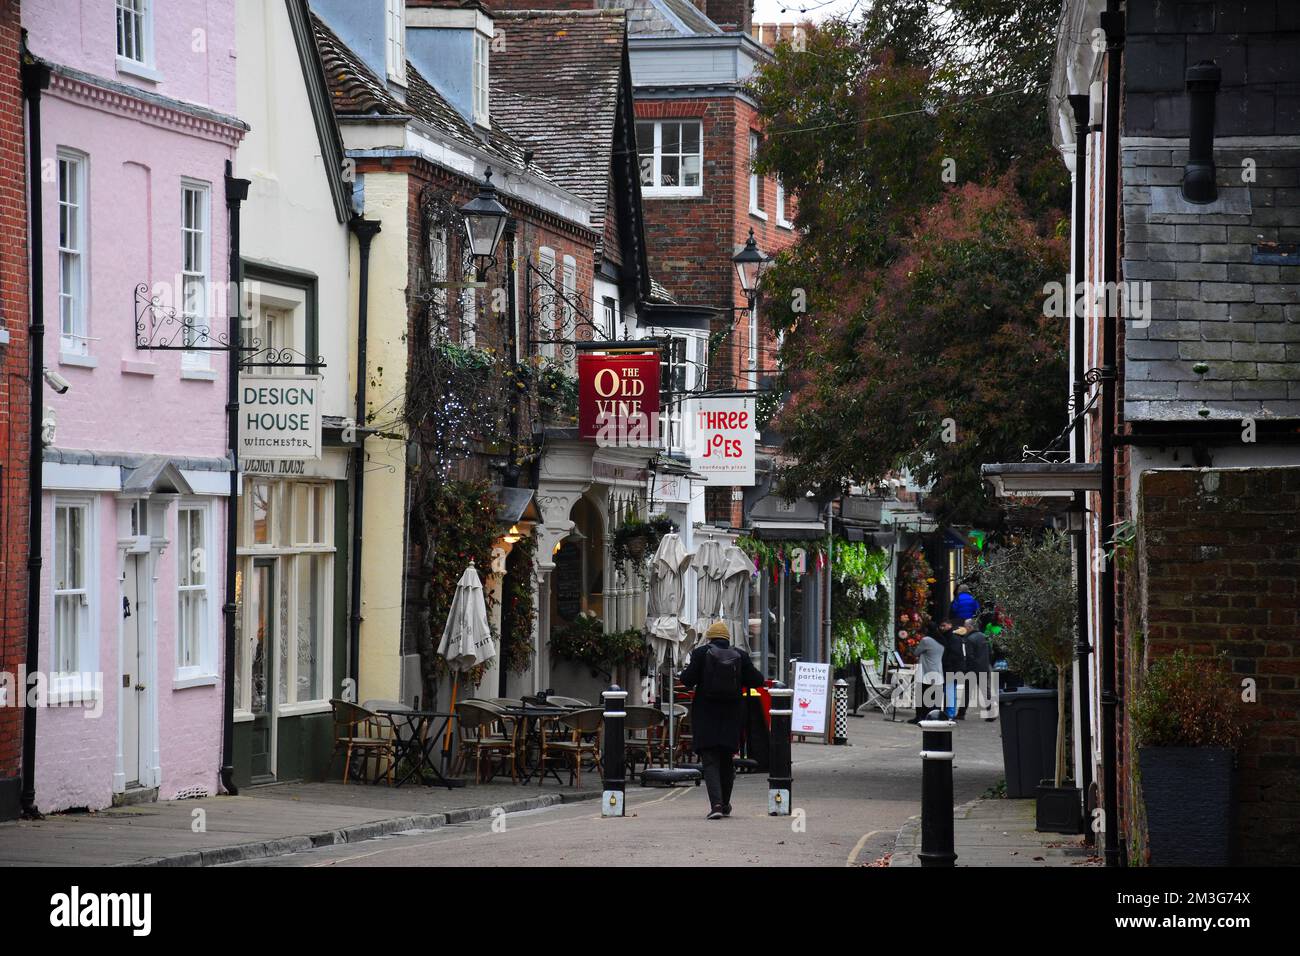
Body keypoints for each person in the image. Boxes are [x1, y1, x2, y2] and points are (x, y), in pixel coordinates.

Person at [678, 620, 765, 820]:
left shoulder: (701, 654)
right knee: (727, 759)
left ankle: (716, 804)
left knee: (710, 760)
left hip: (706, 713)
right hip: (732, 715)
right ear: (727, 639)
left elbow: (686, 680)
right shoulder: (740, 656)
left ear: (709, 638)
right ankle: (725, 804)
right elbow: (758, 680)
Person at [911, 630, 946, 724]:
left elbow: (916, 652)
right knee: (935, 697)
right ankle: (934, 717)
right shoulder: (942, 641)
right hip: (938, 672)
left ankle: (919, 717)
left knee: (921, 696)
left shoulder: (927, 640)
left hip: (926, 672)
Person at [939, 618, 964, 718]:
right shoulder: (953, 638)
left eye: (943, 625)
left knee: (949, 691)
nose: (942, 628)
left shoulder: (951, 638)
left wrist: (945, 663)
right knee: (949, 691)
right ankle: (949, 713)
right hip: (952, 669)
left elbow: (954, 655)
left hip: (951, 669)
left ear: (949, 625)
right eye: (941, 626)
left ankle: (950, 714)